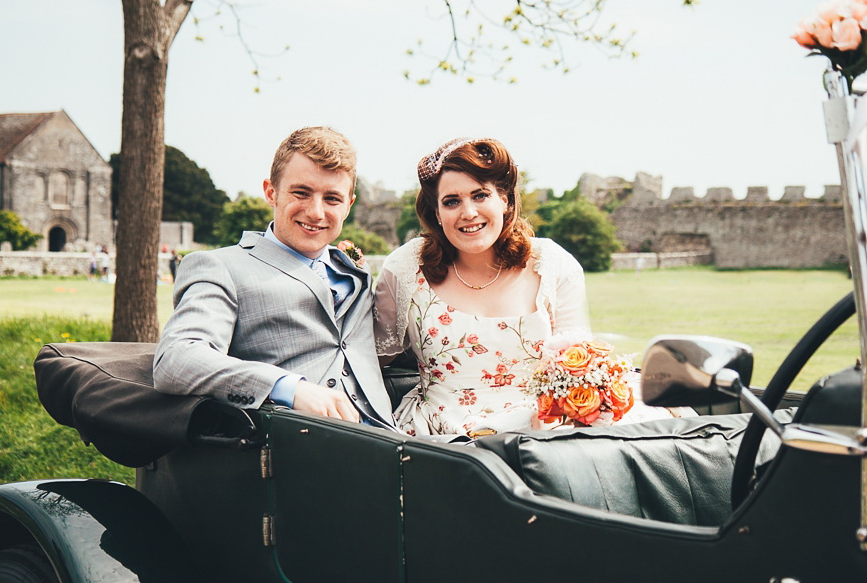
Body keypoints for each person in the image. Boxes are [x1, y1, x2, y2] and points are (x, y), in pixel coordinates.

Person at [153, 126, 394, 428]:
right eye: (301, 192)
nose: (316, 212)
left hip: (392, 438)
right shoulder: (219, 266)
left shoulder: (356, 272)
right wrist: (291, 388)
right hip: (295, 446)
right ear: (271, 192)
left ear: (349, 205)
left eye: (332, 198)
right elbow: (176, 360)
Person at [373, 138, 591, 437]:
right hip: (438, 437)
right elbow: (368, 358)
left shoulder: (552, 264)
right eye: (451, 201)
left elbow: (578, 367)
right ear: (437, 213)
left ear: (504, 199)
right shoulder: (406, 267)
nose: (469, 212)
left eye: (480, 195)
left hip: (539, 435)